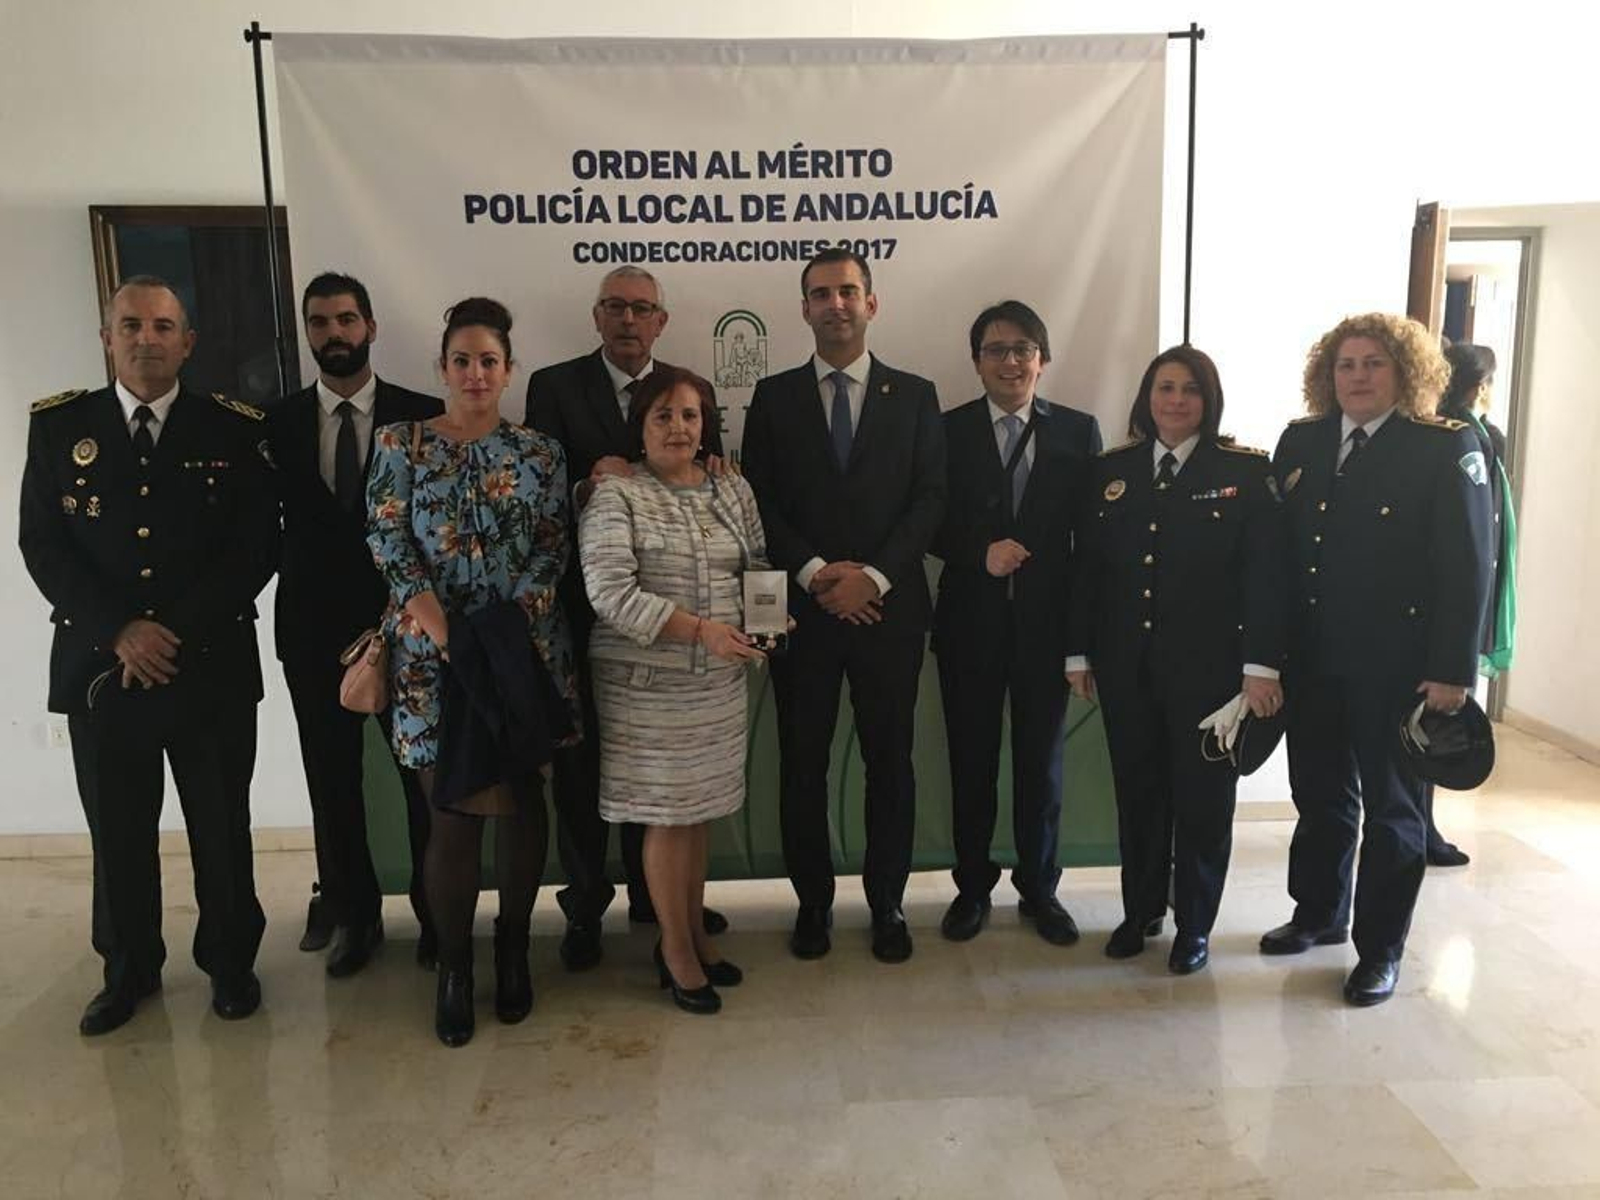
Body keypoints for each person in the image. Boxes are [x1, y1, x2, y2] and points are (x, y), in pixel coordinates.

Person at [19, 274, 279, 1034]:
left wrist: (172, 632)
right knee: (119, 832)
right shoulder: (61, 427)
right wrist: (120, 632)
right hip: (103, 672)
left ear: (187, 342)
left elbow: (254, 546)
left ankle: (231, 964)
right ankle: (128, 971)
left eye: (163, 326)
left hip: (212, 667)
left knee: (221, 829)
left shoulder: (233, 428)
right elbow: (43, 545)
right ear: (107, 337)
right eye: (130, 325)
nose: (146, 339)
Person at [367, 297, 580, 1047]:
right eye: (462, 360)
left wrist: (501, 635)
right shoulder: (400, 443)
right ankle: (455, 968)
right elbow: (389, 542)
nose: (476, 372)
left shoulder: (541, 453)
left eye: (490, 360)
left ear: (509, 369)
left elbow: (553, 546)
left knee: (522, 805)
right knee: (451, 817)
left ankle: (514, 947)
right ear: (442, 368)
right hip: (432, 662)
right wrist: (451, 635)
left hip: (523, 656)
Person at [1263, 313, 1491, 1007]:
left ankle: (1380, 949)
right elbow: (1277, 557)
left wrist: (1454, 671)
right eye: (1345, 365)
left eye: (1373, 364)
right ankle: (1320, 912)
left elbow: (1468, 566)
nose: (1357, 377)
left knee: (1395, 812)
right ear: (1327, 376)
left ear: (1405, 373)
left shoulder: (1442, 447)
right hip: (1312, 661)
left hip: (1398, 667)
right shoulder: (1301, 441)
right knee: (1320, 796)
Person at [742, 248, 946, 964]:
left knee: (891, 761)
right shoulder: (773, 398)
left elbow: (930, 499)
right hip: (805, 612)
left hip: (889, 615)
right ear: (803, 309)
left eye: (848, 292)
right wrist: (824, 573)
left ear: (872, 304)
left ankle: (887, 903)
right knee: (803, 765)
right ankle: (813, 906)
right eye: (821, 294)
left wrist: (877, 579)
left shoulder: (917, 395)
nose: (835, 304)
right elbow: (757, 500)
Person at [525, 267, 729, 968]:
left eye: (643, 309)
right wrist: (591, 481)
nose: (628, 320)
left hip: (679, 628)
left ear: (661, 321)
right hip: (588, 613)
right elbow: (538, 487)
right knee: (584, 769)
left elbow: (714, 479)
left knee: (668, 772)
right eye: (616, 307)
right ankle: (586, 908)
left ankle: (662, 903)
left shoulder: (685, 388)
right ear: (597, 315)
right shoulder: (554, 387)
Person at [1066, 346, 1288, 973]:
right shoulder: (1112, 470)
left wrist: (1262, 666)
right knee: (1137, 793)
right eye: (1165, 387)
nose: (1177, 400)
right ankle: (1140, 912)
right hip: (1124, 665)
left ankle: (1195, 924)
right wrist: (1078, 652)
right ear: (1147, 396)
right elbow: (1088, 571)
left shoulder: (1243, 471)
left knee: (1202, 801)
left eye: (1191, 389)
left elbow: (1266, 577)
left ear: (1208, 401)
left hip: (1210, 673)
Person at [264, 271, 442, 976]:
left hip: (407, 628)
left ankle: (437, 914)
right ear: (307, 332)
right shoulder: (271, 424)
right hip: (311, 632)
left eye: (345, 320)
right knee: (331, 784)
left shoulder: (423, 414)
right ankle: (355, 917)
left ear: (371, 326)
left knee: (419, 783)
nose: (333, 334)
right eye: (319, 322)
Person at [579, 366, 769, 1014]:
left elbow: (757, 565)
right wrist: (701, 631)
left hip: (717, 681)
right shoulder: (618, 493)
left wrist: (768, 620)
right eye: (662, 416)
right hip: (647, 683)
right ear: (640, 426)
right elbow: (609, 593)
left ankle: (692, 934)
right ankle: (676, 951)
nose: (678, 428)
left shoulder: (730, 488)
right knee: (665, 816)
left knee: (698, 815)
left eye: (690, 415)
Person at [930, 301, 1101, 945]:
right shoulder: (944, 431)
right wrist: (980, 552)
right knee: (971, 765)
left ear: (1042, 360)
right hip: (968, 627)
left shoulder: (1078, 431)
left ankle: (1041, 890)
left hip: (1047, 632)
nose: (1010, 361)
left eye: (1023, 349)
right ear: (976, 362)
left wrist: (1081, 642)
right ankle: (972, 888)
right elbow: (927, 518)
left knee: (1042, 768)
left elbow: (1092, 542)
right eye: (996, 350)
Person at [1422, 341, 1515, 867]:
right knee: (1436, 724)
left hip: (1475, 597)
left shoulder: (1479, 434)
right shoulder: (1460, 438)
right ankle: (1426, 826)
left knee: (1438, 721)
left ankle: (1427, 825)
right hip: (1458, 607)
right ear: (1481, 385)